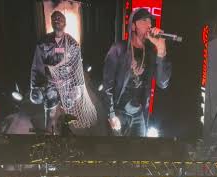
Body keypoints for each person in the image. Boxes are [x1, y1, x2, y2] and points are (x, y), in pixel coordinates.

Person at [102, 8, 172, 137]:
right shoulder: (119, 49)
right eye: (144, 20)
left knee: (138, 154)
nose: (149, 25)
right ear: (133, 26)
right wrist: (111, 114)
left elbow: (163, 83)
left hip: (139, 115)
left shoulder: (151, 53)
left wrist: (161, 50)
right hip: (119, 112)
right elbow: (107, 85)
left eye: (150, 21)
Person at [30, 11, 97, 135]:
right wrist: (35, 87)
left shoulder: (72, 44)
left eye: (60, 18)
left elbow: (77, 66)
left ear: (64, 23)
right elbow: (37, 65)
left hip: (67, 84)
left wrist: (77, 86)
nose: (57, 20)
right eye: (54, 18)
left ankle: (65, 135)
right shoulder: (43, 43)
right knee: (50, 112)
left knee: (67, 112)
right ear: (51, 22)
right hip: (50, 84)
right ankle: (49, 136)